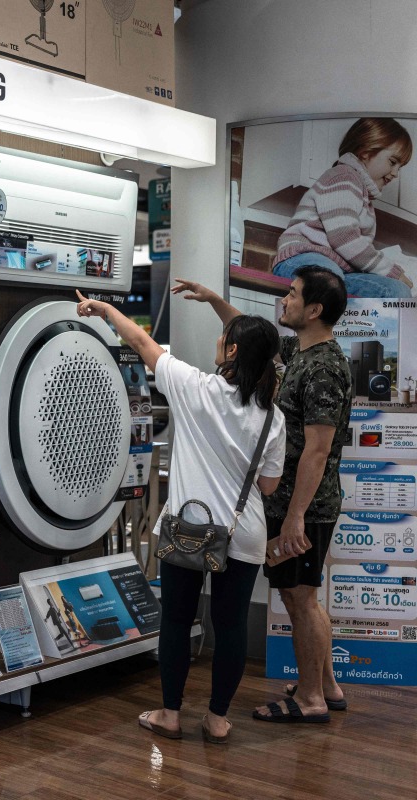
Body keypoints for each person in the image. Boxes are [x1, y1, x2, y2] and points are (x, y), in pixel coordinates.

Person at [75, 290, 285, 743]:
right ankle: (218, 719)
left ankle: (170, 714)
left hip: (186, 529)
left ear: (231, 350)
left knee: (175, 620)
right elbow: (268, 486)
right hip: (242, 533)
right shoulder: (273, 416)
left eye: (223, 336)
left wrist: (106, 309)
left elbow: (141, 343)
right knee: (230, 627)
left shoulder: (194, 387)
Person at [174, 269, 352, 724]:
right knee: (302, 595)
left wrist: (295, 518)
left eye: (293, 295)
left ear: (314, 310)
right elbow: (253, 338)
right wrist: (213, 297)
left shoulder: (326, 367)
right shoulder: (298, 350)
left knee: (300, 598)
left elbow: (317, 450)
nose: (284, 300)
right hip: (287, 502)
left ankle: (310, 697)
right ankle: (326, 684)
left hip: (303, 507)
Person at [271, 117, 415, 298]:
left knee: (396, 292)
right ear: (366, 151)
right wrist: (391, 270)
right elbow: (344, 236)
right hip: (303, 259)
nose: (395, 174)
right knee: (326, 280)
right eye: (393, 162)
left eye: (400, 167)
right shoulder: (344, 177)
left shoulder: (363, 196)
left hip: (337, 273)